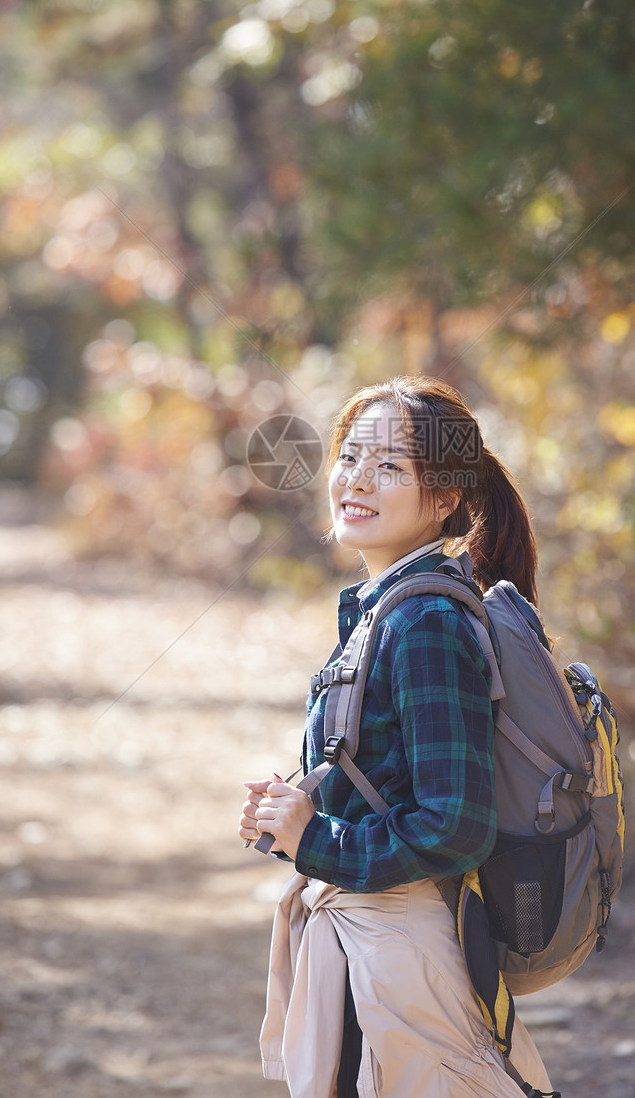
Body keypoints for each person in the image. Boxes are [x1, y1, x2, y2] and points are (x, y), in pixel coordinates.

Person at [239, 375, 554, 1098]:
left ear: (445, 498)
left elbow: (456, 823)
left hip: (400, 950)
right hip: (369, 941)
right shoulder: (388, 609)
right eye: (351, 456)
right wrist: (294, 810)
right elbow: (389, 780)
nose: (356, 479)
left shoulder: (426, 624)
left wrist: (315, 840)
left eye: (389, 466)